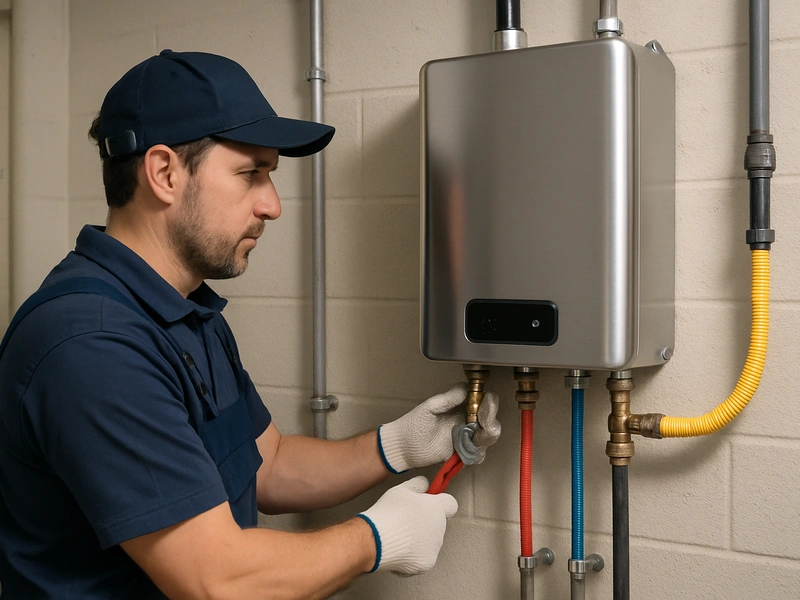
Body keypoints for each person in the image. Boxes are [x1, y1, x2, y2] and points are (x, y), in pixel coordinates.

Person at [0, 50, 500, 599]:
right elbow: (217, 580)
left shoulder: (185, 310)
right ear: (164, 173)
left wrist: (396, 446)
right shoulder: (92, 344)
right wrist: (375, 540)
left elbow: (270, 465)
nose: (273, 205)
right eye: (251, 174)